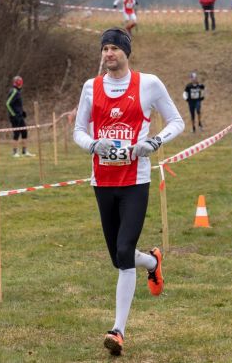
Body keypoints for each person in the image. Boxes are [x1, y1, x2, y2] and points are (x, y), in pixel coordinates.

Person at [73, 28, 184, 356]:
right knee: (118, 257)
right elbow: (78, 130)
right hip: (103, 182)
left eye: (114, 48)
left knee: (124, 251)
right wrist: (93, 144)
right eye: (105, 48)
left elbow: (176, 121)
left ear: (126, 52)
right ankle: (151, 261)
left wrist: (154, 142)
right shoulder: (91, 87)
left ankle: (117, 331)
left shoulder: (149, 84)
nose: (109, 54)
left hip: (135, 181)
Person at [6, 76, 35, 157]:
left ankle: (24, 151)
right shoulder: (14, 91)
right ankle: (14, 152)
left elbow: (17, 105)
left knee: (24, 132)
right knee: (16, 133)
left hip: (20, 116)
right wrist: (13, 114)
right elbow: (8, 103)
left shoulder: (18, 92)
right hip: (15, 117)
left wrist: (22, 112)